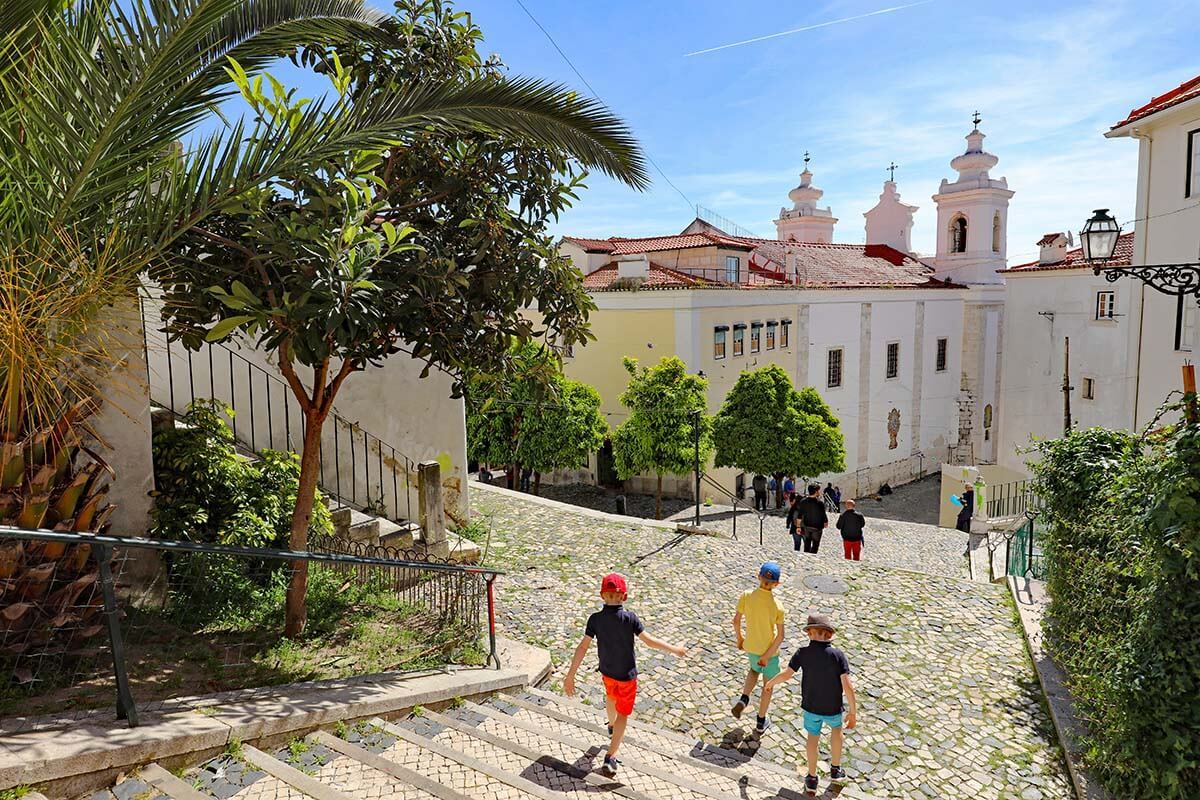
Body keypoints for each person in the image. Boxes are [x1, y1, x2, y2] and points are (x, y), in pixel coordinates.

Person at [563, 573, 687, 776]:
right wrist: (675, 649)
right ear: (624, 596)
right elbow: (649, 641)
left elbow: (582, 647)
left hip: (607, 672)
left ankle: (611, 725)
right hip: (626, 677)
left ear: (603, 595)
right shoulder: (630, 619)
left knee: (611, 697)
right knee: (623, 714)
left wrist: (570, 675)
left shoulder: (594, 620)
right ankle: (610, 756)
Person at [766, 613, 857, 794]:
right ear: (829, 635)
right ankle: (836, 769)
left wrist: (770, 683)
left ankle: (812, 777)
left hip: (811, 706)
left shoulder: (802, 653)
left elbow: (787, 674)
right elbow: (848, 686)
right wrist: (853, 712)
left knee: (812, 740)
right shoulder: (837, 655)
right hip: (832, 708)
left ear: (809, 633)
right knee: (837, 732)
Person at [731, 561, 785, 734]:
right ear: (777, 584)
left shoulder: (746, 596)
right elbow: (781, 635)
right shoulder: (777, 605)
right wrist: (768, 656)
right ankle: (761, 721)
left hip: (751, 646)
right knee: (768, 685)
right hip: (769, 651)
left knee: (753, 671)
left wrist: (740, 639)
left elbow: (736, 620)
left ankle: (744, 698)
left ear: (758, 577)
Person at [796, 483, 829, 553]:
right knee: (815, 545)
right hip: (817, 528)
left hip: (807, 527)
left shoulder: (803, 502)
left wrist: (798, 527)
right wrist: (826, 522)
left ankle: (806, 558)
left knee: (807, 545)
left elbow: (799, 516)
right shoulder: (820, 503)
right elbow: (823, 515)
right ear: (816, 492)